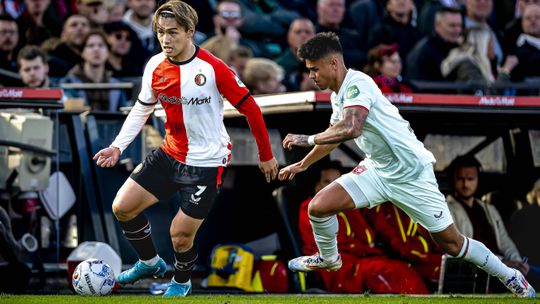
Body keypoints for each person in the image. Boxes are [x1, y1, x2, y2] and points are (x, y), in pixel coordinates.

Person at [278, 32, 535, 298]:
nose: (311, 76)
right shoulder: (337, 95)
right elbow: (335, 135)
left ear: (333, 63)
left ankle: (510, 276)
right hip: (378, 170)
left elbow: (352, 128)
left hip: (412, 175)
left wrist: (306, 139)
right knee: (318, 207)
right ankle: (329, 258)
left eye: (314, 69)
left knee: (452, 244)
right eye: (308, 71)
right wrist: (303, 164)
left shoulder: (358, 83)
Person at [93, 0, 278, 297]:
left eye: (173, 32)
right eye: (160, 33)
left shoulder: (214, 69)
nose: (166, 39)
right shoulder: (154, 65)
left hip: (206, 161)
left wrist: (266, 155)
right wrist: (117, 147)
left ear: (190, 31)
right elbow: (142, 109)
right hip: (169, 153)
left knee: (179, 236)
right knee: (122, 207)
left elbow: (251, 110)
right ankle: (149, 262)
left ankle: (181, 281)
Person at [299, 161, 429, 294]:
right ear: (316, 187)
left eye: (336, 183)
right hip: (338, 266)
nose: (331, 188)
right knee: (388, 272)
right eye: (327, 182)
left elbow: (367, 237)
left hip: (360, 260)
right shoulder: (311, 208)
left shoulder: (348, 207)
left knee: (401, 269)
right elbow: (335, 244)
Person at [446, 155, 529, 276]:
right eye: (460, 179)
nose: (465, 184)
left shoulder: (489, 209)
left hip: (503, 270)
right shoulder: (447, 209)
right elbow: (463, 249)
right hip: (473, 272)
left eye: (470, 179)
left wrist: (517, 263)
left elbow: (505, 242)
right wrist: (503, 262)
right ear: (453, 180)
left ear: (478, 179)